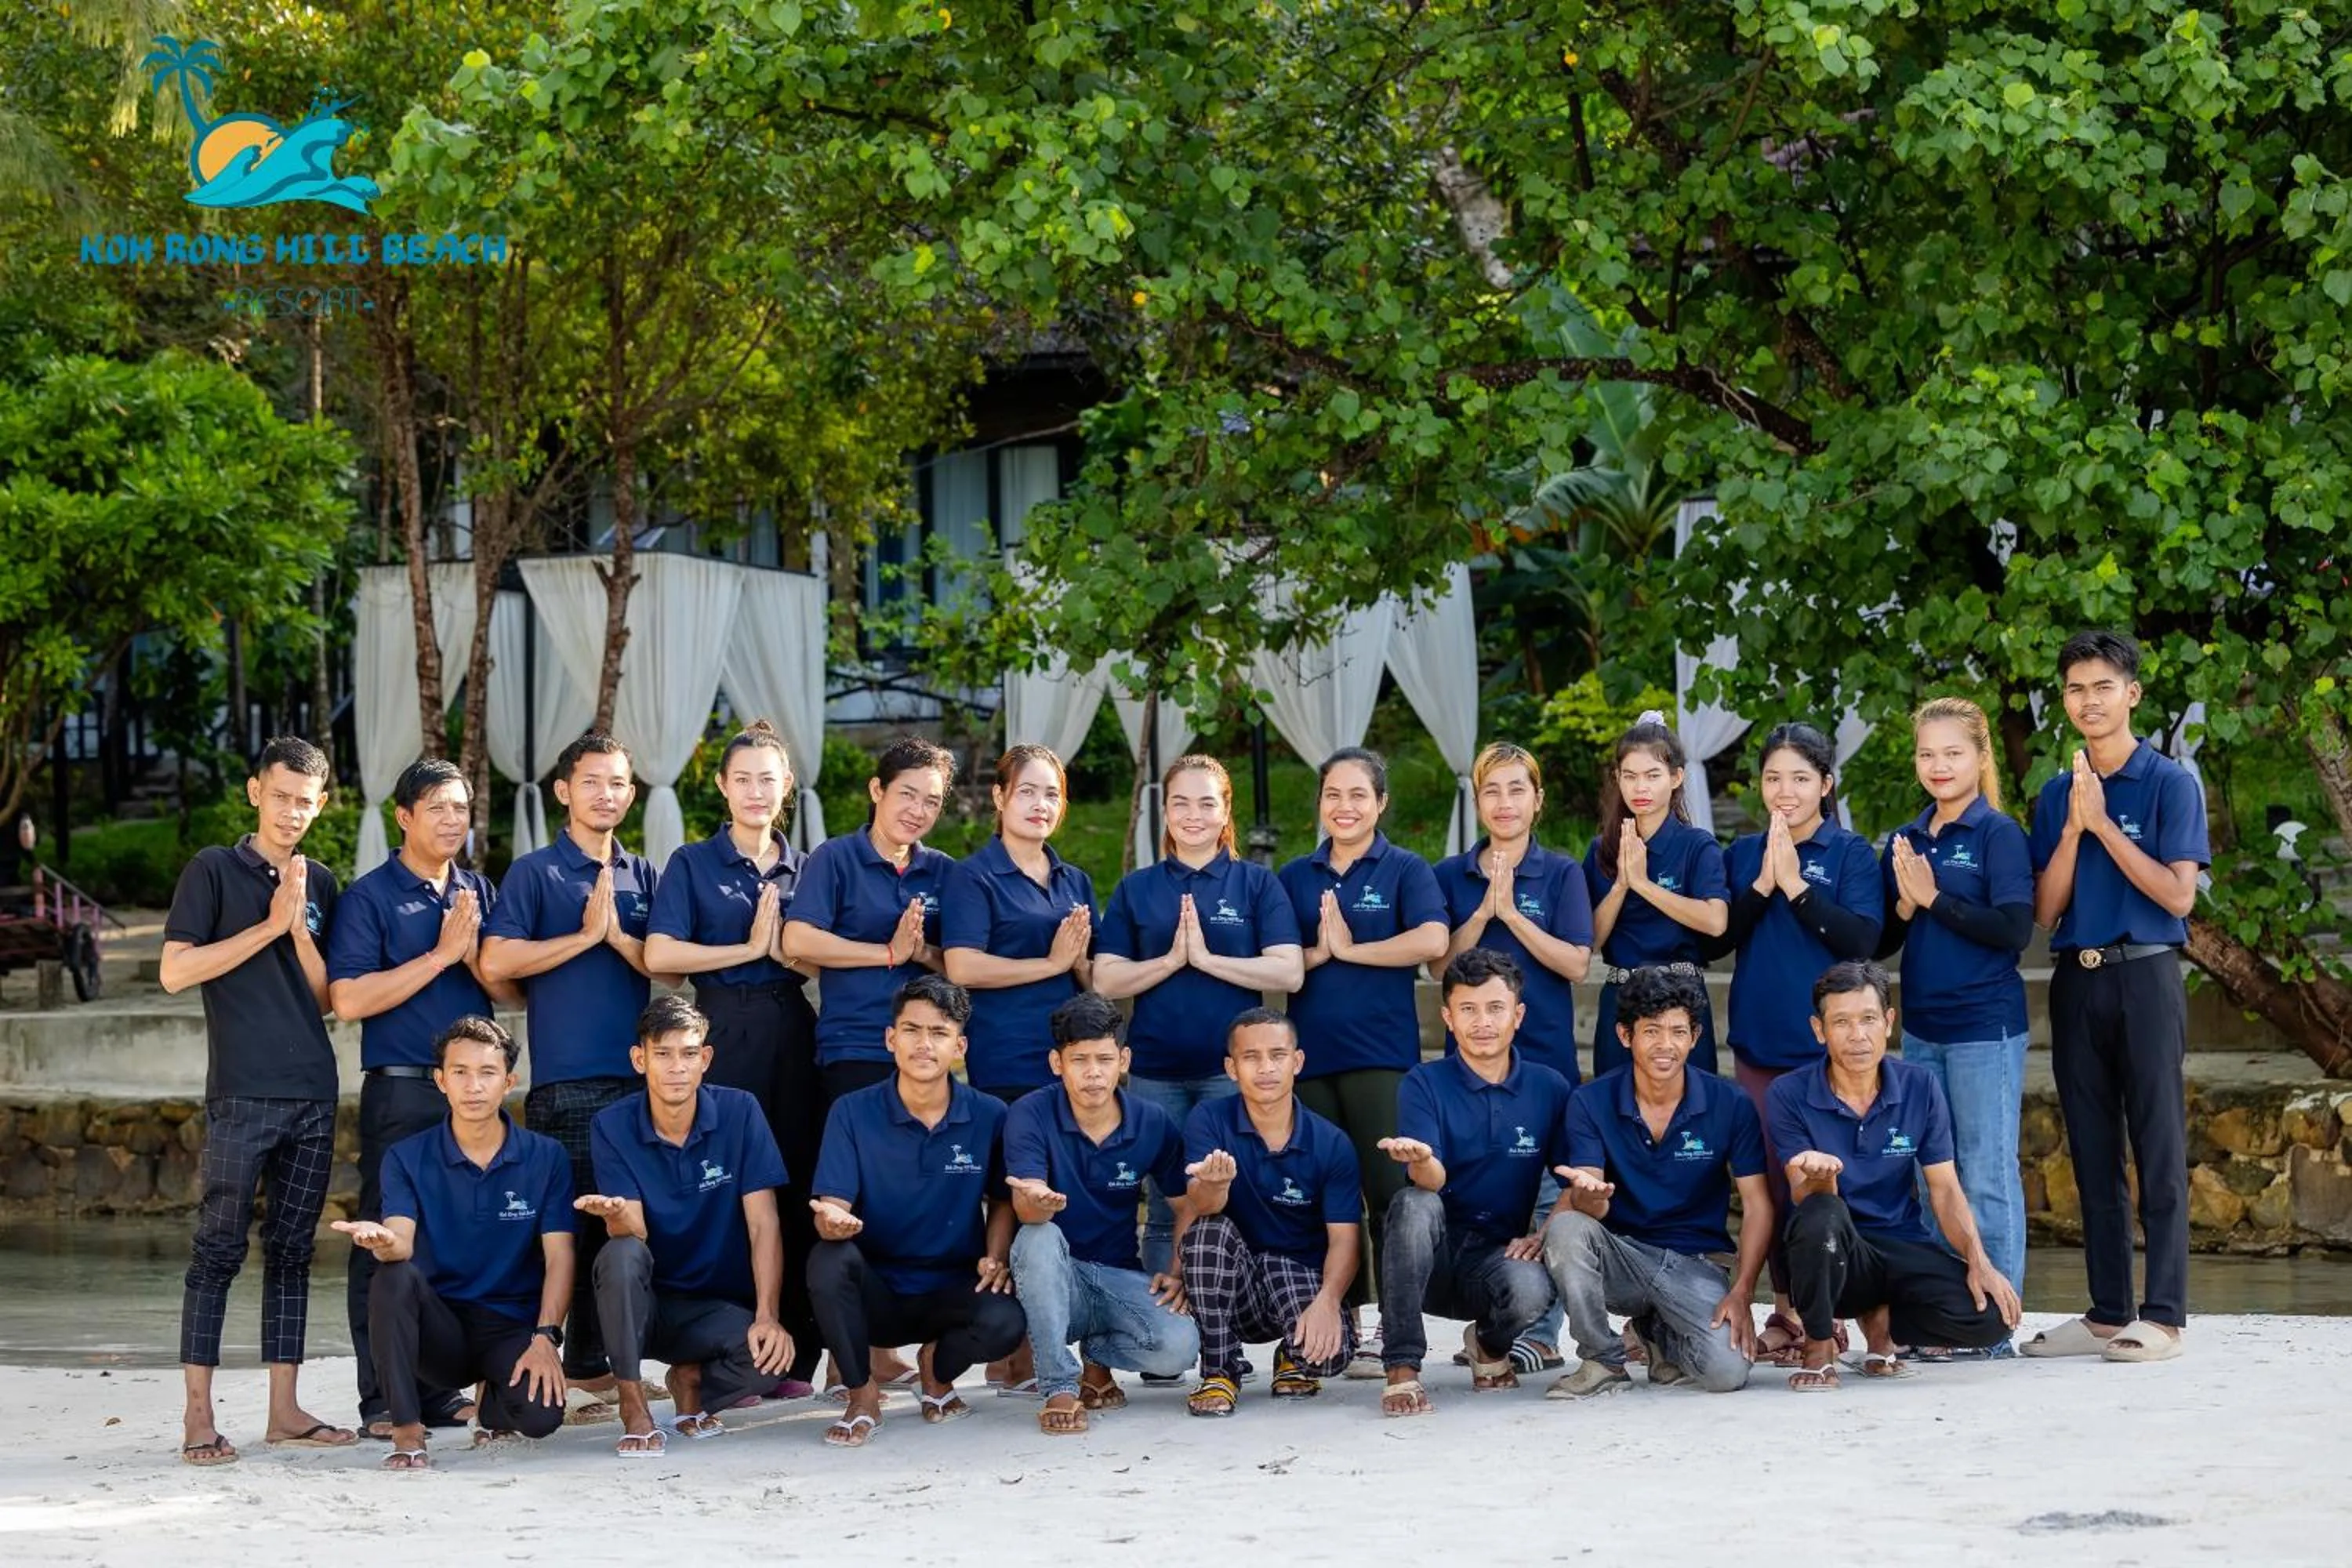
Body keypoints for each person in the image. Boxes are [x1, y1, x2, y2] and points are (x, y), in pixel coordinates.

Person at [159, 736, 353, 1466]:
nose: (291, 812)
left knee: (293, 1253)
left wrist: (296, 929)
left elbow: (327, 1000)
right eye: (280, 797)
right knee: (217, 1250)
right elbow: (176, 972)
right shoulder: (212, 870)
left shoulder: (322, 883)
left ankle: (284, 1411)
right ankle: (197, 1415)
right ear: (255, 793)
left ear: (321, 804)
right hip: (241, 1093)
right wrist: (268, 925)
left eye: (304, 801)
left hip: (313, 1092)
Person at [2020, 630, 2207, 1363]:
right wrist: (2074, 828)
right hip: (2077, 976)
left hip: (2146, 975)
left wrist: (2104, 824)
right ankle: (2106, 1312)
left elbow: (2178, 894)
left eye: (2103, 686)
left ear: (2132, 693)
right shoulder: (2055, 793)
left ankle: (2164, 1316)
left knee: (2157, 1144)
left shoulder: (2168, 783)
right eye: (2076, 689)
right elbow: (2045, 911)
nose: (2089, 700)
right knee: (2092, 1150)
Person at [326, 757, 519, 1438]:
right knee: (382, 1242)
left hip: (473, 1096)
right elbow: (349, 1000)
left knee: (454, 1240)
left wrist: (471, 957)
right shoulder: (369, 897)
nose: (451, 820)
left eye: (461, 808)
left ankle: (436, 1392)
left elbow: (511, 994)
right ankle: (382, 1399)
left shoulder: (478, 890)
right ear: (404, 816)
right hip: (403, 1093)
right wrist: (438, 956)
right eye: (437, 807)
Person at [481, 731, 673, 1412]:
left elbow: (671, 969)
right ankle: (531, 1358)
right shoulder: (535, 872)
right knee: (561, 1228)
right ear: (564, 791)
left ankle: (598, 1365)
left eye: (618, 783)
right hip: (564, 1084)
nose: (606, 794)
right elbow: (497, 961)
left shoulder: (644, 874)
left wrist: (617, 938)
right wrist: (583, 938)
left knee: (621, 1225)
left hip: (639, 1085)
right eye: (592, 782)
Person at [643, 718, 822, 1394]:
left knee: (796, 1186)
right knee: (727, 1189)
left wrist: (785, 954)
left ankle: (795, 1357)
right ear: (722, 785)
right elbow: (662, 956)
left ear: (787, 786)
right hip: (719, 1029)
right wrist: (746, 948)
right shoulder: (692, 863)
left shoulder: (808, 866)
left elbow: (821, 957)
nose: (755, 791)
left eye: (767, 780)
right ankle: (725, 1347)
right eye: (742, 779)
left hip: (793, 1030)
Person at [1709, 722, 1883, 1366]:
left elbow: (1862, 941)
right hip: (1760, 1045)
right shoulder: (1743, 852)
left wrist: (1798, 888)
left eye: (1801, 778)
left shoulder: (1850, 853)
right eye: (1773, 778)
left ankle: (1839, 1312)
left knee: (1833, 1184)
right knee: (1776, 1187)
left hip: (1832, 1053)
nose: (1785, 791)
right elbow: (1719, 939)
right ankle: (1788, 1310)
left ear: (1826, 784)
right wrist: (1765, 882)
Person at [332, 1016, 573, 1471]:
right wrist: (383, 1242)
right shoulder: (406, 1156)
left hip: (509, 1326)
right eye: (460, 1072)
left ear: (508, 1082)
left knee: (542, 1418)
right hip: (439, 1331)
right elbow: (401, 1242)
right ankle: (407, 1430)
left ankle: (491, 1404)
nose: (473, 1086)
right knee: (392, 1277)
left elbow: (560, 1256)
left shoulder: (546, 1157)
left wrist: (546, 1337)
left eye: (487, 1073)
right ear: (441, 1080)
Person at [1095, 754, 1303, 1278]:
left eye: (1206, 803)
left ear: (1225, 810)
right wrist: (1170, 961)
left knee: (1239, 1197)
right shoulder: (1137, 888)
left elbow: (1289, 970)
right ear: (1164, 811)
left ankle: (1229, 1315)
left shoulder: (1256, 884)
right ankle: (1163, 1319)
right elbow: (1106, 979)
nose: (1193, 815)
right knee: (1165, 1207)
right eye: (1180, 803)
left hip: (1231, 1075)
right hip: (1155, 1074)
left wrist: (1207, 959)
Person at [1766, 962, 2020, 1391]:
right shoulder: (1788, 1093)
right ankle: (1819, 1345)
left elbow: (1944, 1189)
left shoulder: (1920, 1086)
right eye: (1841, 1023)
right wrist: (1822, 1179)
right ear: (1819, 1030)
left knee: (1992, 1318)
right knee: (1822, 1213)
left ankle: (1883, 1323)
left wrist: (1981, 1263)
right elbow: (1801, 1196)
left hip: (1900, 1244)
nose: (1858, 1035)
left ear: (1888, 1022)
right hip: (1834, 1253)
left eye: (1868, 1019)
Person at [1278, 746, 1449, 1376]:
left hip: (1381, 1057)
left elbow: (1432, 939)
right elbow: (1278, 957)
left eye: (1358, 795)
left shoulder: (1404, 868)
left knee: (1387, 1195)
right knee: (1326, 1198)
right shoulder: (1295, 875)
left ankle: (1391, 1327)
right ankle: (1339, 1319)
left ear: (1381, 803)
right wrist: (1321, 954)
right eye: (1333, 794)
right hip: (1310, 1061)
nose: (1344, 807)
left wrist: (1353, 950)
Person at [804, 975, 1024, 1447]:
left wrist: (995, 1256)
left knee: (1005, 1320)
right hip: (879, 1292)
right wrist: (832, 1221)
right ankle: (861, 1394)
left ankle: (936, 1369)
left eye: (939, 1033)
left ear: (959, 1046)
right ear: (891, 1038)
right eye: (911, 1030)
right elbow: (832, 1205)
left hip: (952, 1287)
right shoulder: (851, 1111)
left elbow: (1003, 1199)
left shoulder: (990, 1114)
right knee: (827, 1260)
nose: (924, 1044)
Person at [1431, 740, 1595, 1373]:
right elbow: (1438, 965)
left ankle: (1542, 1332)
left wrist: (1514, 916)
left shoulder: (1561, 873)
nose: (1505, 802)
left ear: (1538, 800)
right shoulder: (1451, 874)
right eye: (1492, 790)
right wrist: (1483, 912)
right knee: (1477, 1190)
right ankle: (1490, 1317)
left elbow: (1576, 962)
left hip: (1545, 1063)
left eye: (1516, 789)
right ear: (1478, 801)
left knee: (1550, 1191)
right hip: (1468, 1070)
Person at [574, 996, 797, 1456]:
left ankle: (691, 1381)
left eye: (689, 1053)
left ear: (705, 1059)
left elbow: (763, 1223)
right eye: (663, 1054)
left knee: (772, 1361)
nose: (677, 1067)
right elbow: (635, 1232)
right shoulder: (611, 1124)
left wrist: (767, 1316)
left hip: (714, 1309)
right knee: (619, 1253)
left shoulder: (740, 1111)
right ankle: (633, 1402)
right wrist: (615, 1214)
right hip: (646, 1309)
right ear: (640, 1060)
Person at [1875, 696, 2035, 1312]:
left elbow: (2013, 930)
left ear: (1980, 756)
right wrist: (1905, 904)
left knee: (1986, 1174)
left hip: (1984, 1029)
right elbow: (1884, 941)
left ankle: (1995, 1323)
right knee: (1930, 1175)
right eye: (1927, 754)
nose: (1939, 766)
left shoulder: (1999, 834)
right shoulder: (1906, 838)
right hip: (1923, 1032)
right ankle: (1947, 1318)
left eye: (1952, 753)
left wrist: (1935, 899)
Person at [1544, 965, 1771, 1398]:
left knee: (1726, 1373)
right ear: (1625, 1035)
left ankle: (1658, 1333)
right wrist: (1590, 1196)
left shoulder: (1731, 1103)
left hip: (1697, 1263)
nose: (1666, 1045)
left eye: (1678, 1032)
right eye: (1651, 1031)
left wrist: (1742, 1291)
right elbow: (1591, 1203)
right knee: (1567, 1227)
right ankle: (1602, 1360)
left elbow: (1758, 1205)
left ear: (1695, 1037)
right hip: (1625, 1256)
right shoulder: (1590, 1102)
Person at [1372, 949, 1566, 1417]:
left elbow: (1571, 1181)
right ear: (1448, 1017)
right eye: (1468, 1009)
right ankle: (1402, 1366)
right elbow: (1429, 1180)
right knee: (1414, 1203)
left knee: (1532, 1288)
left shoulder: (1550, 1088)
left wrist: (1542, 1233)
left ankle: (1488, 1344)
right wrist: (1422, 1161)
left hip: (1495, 1259)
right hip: (1429, 1260)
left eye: (1495, 1008)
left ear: (1518, 1015)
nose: (1483, 1023)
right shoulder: (1424, 1082)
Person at [1003, 993, 1201, 1435]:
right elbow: (1025, 1205)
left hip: (1116, 1276)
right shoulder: (1030, 1113)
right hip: (1054, 1279)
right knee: (1037, 1236)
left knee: (1179, 1348)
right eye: (1079, 1060)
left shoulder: (1151, 1120)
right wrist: (1038, 1202)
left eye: (1104, 1059)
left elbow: (1186, 1205)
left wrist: (1177, 1271)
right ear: (1057, 1063)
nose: (1093, 1072)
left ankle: (1096, 1355)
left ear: (1123, 1060)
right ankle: (1059, 1386)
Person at [1178, 1008, 1359, 1417]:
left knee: (1328, 1357)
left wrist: (1329, 1301)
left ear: (1297, 1061)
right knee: (1208, 1234)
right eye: (1251, 1057)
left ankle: (1292, 1356)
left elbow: (1344, 1238)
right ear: (1231, 1068)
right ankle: (1220, 1370)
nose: (1266, 1068)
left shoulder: (1331, 1142)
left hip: (1294, 1272)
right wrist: (1215, 1185)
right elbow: (1198, 1207)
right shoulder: (1209, 1119)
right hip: (1232, 1276)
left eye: (1277, 1055)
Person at [783, 735, 959, 1111]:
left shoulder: (944, 870)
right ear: (877, 789)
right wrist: (889, 953)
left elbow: (961, 964)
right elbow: (797, 939)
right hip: (855, 1044)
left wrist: (923, 953)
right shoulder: (835, 858)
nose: (918, 811)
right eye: (907, 794)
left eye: (931, 802)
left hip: (926, 1050)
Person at [943, 744, 1098, 1105]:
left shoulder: (1075, 881)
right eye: (1027, 792)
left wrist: (1079, 965)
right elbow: (962, 967)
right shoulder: (973, 877)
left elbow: (1098, 980)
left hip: (1076, 1056)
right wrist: (1052, 964)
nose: (1041, 805)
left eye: (1052, 795)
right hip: (1008, 1057)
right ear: (1000, 797)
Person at [1583, 713, 1728, 1077]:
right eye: (1630, 776)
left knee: (1692, 1103)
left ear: (1676, 778)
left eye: (1652, 776)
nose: (1640, 788)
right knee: (1614, 1101)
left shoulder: (1697, 845)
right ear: (1618, 779)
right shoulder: (1602, 849)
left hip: (1682, 995)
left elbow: (1715, 921)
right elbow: (1591, 940)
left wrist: (1644, 884)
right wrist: (1622, 885)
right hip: (1621, 994)